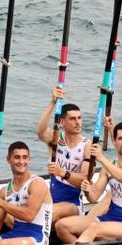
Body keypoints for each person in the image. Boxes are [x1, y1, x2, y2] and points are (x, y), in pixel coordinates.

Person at [55, 122, 122, 244]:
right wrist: (87, 189)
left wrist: (101, 158)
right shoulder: (108, 167)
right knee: (62, 226)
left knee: (94, 228)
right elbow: (93, 197)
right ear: (114, 142)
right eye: (121, 138)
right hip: (109, 218)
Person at [37, 87, 91, 221]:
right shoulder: (56, 139)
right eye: (72, 119)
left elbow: (84, 179)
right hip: (52, 197)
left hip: (73, 203)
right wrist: (52, 102)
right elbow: (41, 132)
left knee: (45, 213)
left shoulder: (87, 146)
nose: (78, 122)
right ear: (62, 122)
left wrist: (63, 173)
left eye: (79, 118)